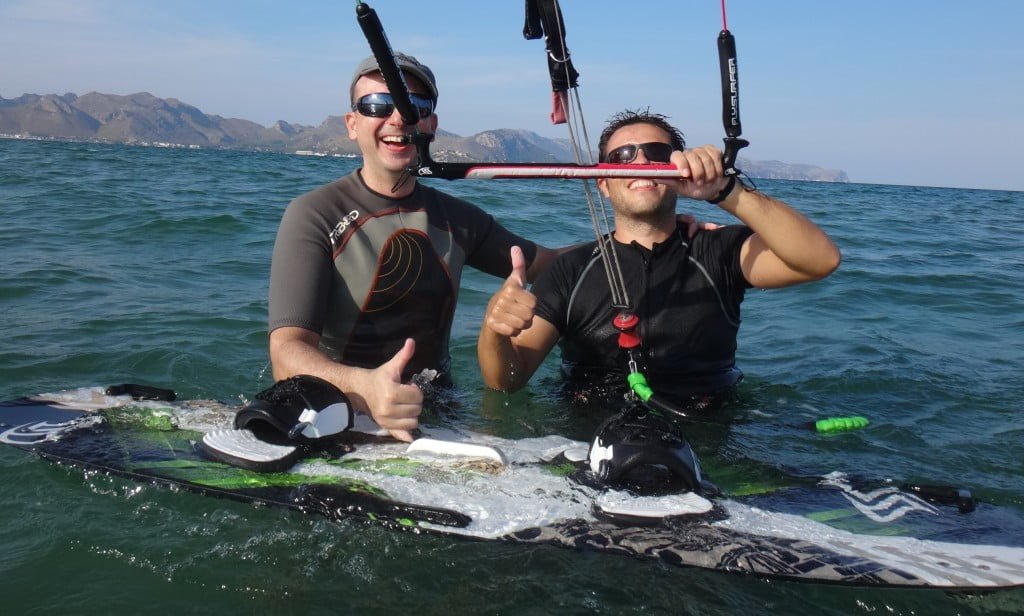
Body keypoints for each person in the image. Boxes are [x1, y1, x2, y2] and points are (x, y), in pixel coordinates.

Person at [268, 53, 564, 442]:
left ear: (431, 125)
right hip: (340, 410)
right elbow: (286, 353)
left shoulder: (459, 219)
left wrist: (656, 225)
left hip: (441, 411)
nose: (398, 118)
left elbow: (558, 264)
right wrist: (365, 387)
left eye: (415, 106)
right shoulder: (315, 214)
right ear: (352, 124)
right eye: (377, 105)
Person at [478, 109, 841, 411]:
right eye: (622, 156)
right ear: (603, 182)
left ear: (677, 170)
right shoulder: (570, 270)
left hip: (708, 430)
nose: (640, 163)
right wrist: (494, 330)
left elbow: (819, 260)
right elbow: (505, 382)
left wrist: (725, 191)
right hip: (589, 432)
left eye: (656, 153)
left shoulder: (720, 251)